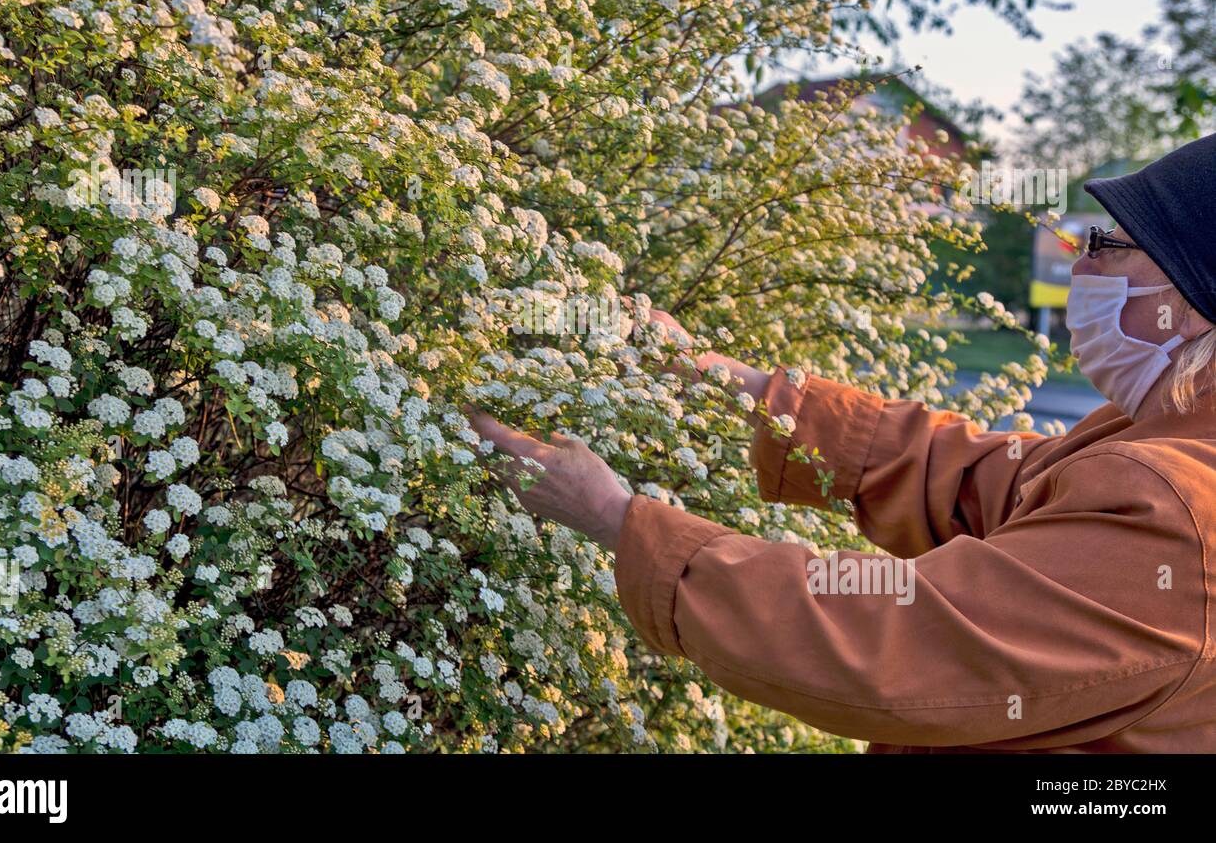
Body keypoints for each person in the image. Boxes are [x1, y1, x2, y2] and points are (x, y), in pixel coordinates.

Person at [466, 132, 1216, 752]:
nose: (1080, 264)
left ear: (1184, 304)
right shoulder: (1162, 439)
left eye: (1109, 244)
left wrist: (617, 518)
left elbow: (897, 639)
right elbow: (974, 477)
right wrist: (730, 382)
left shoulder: (1172, 509)